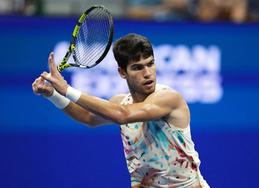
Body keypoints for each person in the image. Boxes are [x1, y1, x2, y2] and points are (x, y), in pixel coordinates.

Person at [32, 33, 209, 188]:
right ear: (122, 73)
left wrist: (67, 89)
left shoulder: (169, 98)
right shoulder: (120, 102)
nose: (147, 73)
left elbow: (122, 115)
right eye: (138, 67)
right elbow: (87, 117)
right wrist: (53, 94)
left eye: (150, 64)